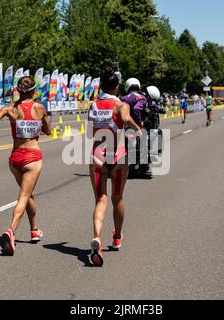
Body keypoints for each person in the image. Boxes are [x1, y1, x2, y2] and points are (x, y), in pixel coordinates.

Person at [0, 76, 51, 256]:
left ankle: (34, 230)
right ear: (33, 91)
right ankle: (11, 231)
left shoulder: (10, 108)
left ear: (18, 90)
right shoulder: (39, 108)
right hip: (32, 157)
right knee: (24, 195)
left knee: (29, 194)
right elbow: (47, 130)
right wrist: (42, 125)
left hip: (15, 158)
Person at [88, 67, 142, 267]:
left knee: (100, 200)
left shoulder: (93, 105)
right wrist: (138, 130)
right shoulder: (119, 104)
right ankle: (117, 237)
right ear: (117, 87)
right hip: (117, 155)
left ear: (101, 85)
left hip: (98, 155)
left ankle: (97, 237)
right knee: (117, 197)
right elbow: (126, 119)